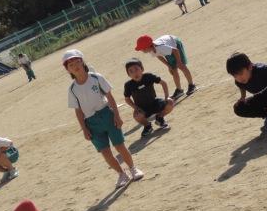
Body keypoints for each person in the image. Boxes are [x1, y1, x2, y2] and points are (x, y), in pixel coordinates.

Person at [64, 49, 144, 188]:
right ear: (67, 70)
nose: (75, 66)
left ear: (82, 62)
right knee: (105, 152)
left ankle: (133, 169)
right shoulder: (72, 89)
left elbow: (110, 97)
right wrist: (84, 129)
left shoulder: (96, 78)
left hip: (107, 114)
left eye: (77, 62)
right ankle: (121, 174)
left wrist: (117, 116)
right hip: (91, 123)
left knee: (119, 146)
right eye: (70, 65)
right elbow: (78, 110)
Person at [123, 58, 174, 137]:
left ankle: (159, 118)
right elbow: (127, 99)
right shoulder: (128, 85)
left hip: (154, 103)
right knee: (136, 115)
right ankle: (147, 126)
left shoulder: (148, 76)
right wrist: (135, 107)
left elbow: (163, 83)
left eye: (136, 69)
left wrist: (167, 97)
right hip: (142, 108)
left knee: (170, 102)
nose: (135, 73)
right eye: (131, 71)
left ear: (142, 69)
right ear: (128, 74)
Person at [135, 34, 197, 99]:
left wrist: (179, 62)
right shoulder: (151, 50)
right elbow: (159, 56)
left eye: (142, 48)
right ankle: (179, 90)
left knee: (182, 67)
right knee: (173, 69)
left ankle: (192, 85)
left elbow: (175, 50)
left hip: (175, 44)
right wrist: (168, 66)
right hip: (169, 49)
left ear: (147, 47)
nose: (141, 50)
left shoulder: (161, 47)